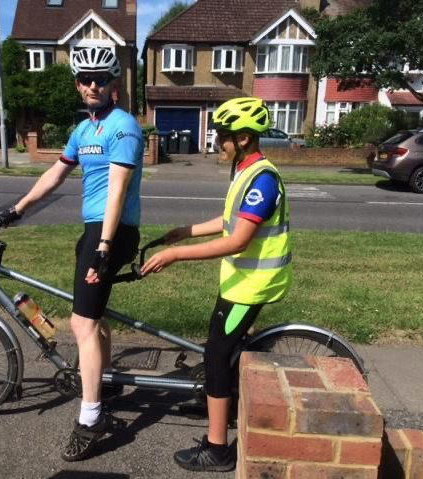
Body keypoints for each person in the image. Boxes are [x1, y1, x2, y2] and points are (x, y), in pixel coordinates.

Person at [0, 46, 144, 462]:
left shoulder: (123, 128)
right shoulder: (84, 131)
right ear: (78, 83)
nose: (92, 85)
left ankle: (91, 418)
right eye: (85, 79)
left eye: (101, 79)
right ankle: (106, 379)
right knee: (95, 316)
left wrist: (104, 247)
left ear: (114, 84)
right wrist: (15, 210)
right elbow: (55, 174)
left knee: (82, 322)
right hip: (94, 231)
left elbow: (118, 192)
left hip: (114, 231)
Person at [141, 97, 292, 473]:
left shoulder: (263, 180)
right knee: (219, 353)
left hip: (251, 285)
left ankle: (217, 448)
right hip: (240, 281)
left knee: (215, 358)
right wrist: (184, 232)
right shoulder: (245, 170)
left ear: (243, 137)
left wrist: (176, 256)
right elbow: (229, 220)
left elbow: (237, 240)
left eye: (222, 136)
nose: (216, 143)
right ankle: (217, 401)